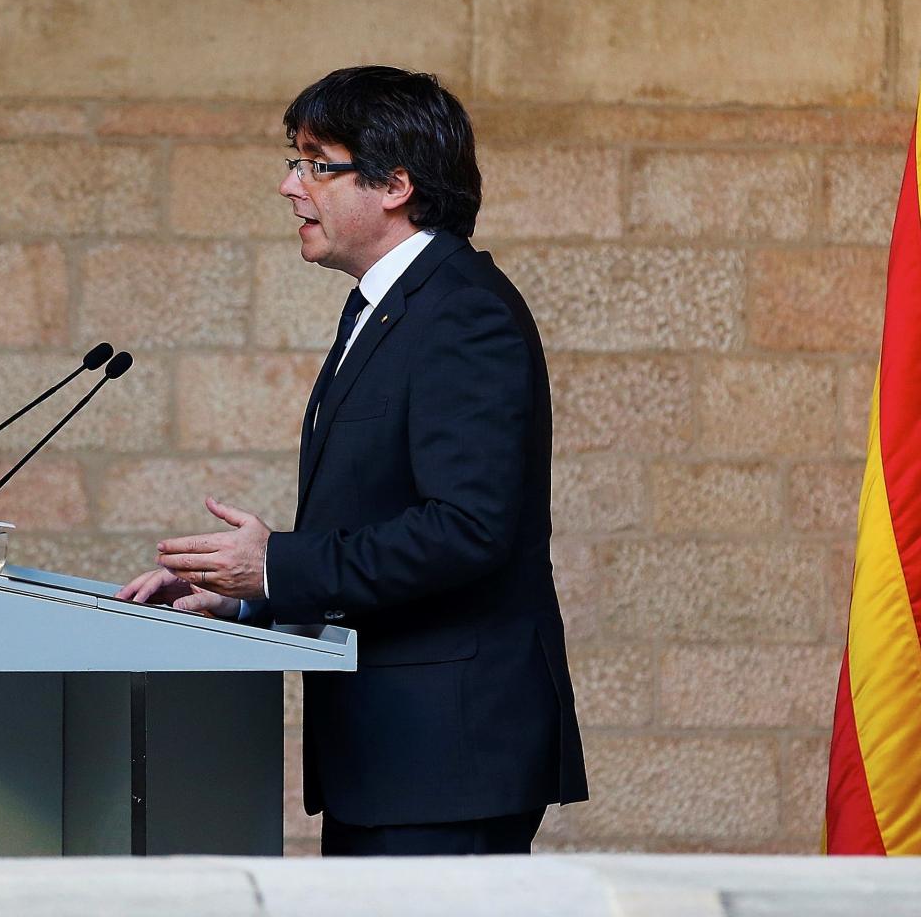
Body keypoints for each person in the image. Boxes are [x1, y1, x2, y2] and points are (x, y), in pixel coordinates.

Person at [117, 65, 587, 856]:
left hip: (447, 754)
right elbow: (375, 520)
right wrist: (242, 595)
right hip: (397, 754)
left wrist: (276, 567)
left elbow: (468, 530)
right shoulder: (385, 305)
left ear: (394, 184)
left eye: (313, 162)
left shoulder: (463, 312)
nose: (288, 186)